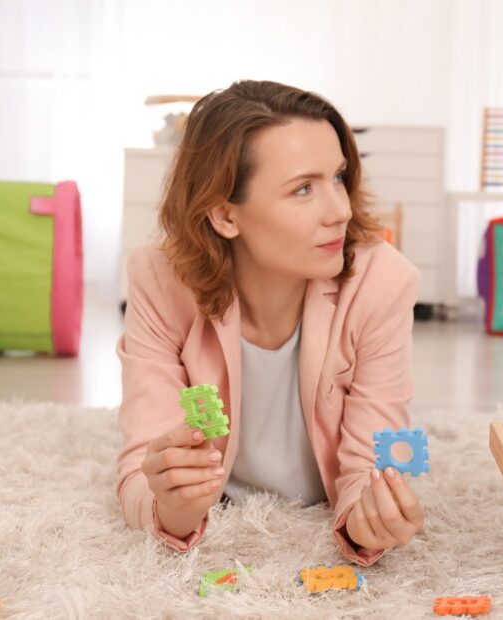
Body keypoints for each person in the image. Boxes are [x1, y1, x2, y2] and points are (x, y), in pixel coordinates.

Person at [116, 80, 424, 567]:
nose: (340, 210)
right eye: (303, 189)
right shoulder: (158, 281)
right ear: (223, 213)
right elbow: (142, 465)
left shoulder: (382, 282)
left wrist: (369, 521)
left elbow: (371, 461)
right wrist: (172, 507)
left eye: (339, 178)